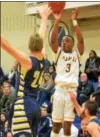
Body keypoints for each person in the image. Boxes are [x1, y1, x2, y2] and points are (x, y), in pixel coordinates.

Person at [1, 5, 52, 137]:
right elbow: (42, 36)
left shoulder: (27, 61)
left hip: (22, 106)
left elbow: (7, 46)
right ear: (41, 46)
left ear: (29, 46)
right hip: (35, 105)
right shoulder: (43, 59)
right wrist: (44, 18)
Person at [50, 8, 84, 137]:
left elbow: (81, 41)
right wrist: (56, 21)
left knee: (67, 125)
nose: (63, 42)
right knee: (56, 125)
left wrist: (74, 22)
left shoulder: (77, 53)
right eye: (62, 41)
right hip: (59, 91)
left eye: (66, 41)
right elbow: (53, 41)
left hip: (71, 92)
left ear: (72, 43)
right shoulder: (58, 53)